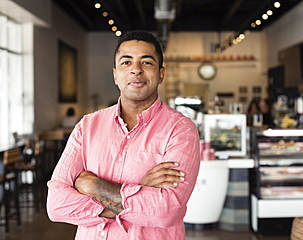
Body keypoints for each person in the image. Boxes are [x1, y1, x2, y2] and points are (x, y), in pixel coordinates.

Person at [47, 30, 201, 240]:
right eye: (126, 62)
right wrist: (141, 190)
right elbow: (56, 205)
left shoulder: (181, 129)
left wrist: (92, 186)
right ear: (115, 74)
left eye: (146, 63)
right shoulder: (87, 126)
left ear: (161, 73)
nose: (136, 70)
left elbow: (166, 211)